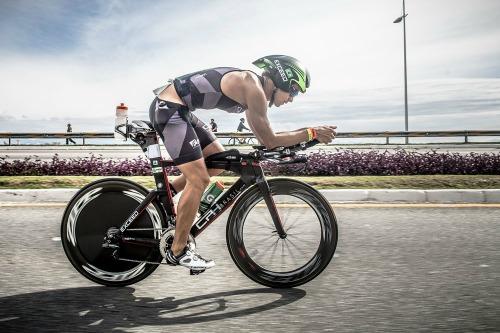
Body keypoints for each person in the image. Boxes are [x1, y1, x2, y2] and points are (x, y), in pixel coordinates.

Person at [149, 55, 336, 272]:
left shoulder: (254, 90)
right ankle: (178, 251)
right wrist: (311, 132)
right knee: (198, 180)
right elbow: (270, 141)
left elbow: (267, 139)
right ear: (281, 80)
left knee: (219, 160)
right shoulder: (253, 88)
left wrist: (306, 137)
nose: (292, 98)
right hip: (170, 109)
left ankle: (165, 197)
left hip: (179, 110)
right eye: (293, 91)